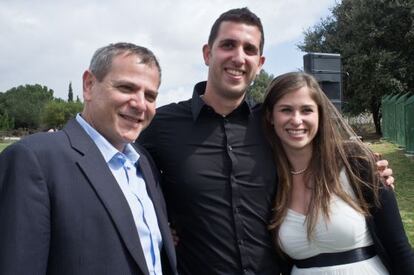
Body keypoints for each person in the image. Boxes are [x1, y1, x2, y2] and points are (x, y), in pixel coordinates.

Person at [138, 8, 394, 275]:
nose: (238, 57)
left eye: (249, 49)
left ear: (259, 63)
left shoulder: (272, 123)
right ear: (207, 53)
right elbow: (125, 178)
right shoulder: (160, 126)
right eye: (228, 45)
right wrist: (159, 222)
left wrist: (370, 173)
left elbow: (322, 151)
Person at [0, 42, 177, 275]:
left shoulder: (144, 162)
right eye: (126, 88)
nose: (140, 104)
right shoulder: (34, 160)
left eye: (150, 95)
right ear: (89, 85)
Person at [262, 72, 414, 274]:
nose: (296, 120)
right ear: (270, 116)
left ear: (319, 115)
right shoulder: (268, 180)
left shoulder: (356, 164)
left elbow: (400, 250)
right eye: (286, 110)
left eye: (307, 110)